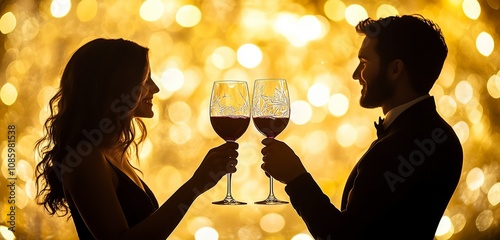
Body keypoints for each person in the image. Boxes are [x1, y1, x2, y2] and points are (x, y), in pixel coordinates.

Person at [260, 15, 463, 239]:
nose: (356, 75)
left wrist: (296, 178)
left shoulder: (406, 143)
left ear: (395, 69)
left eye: (364, 63)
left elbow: (345, 237)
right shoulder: (437, 134)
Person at [35, 38, 239, 239]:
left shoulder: (112, 150)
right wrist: (195, 185)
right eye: (145, 79)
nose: (155, 88)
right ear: (117, 86)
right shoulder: (85, 159)